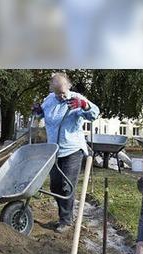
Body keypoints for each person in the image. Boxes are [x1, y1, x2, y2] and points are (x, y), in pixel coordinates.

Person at [33, 72, 99, 233]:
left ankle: (66, 220)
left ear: (68, 86)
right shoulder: (49, 100)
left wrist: (84, 105)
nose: (61, 96)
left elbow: (95, 113)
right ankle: (63, 214)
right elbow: (42, 114)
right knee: (55, 185)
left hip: (72, 149)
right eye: (58, 93)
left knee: (66, 185)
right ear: (52, 90)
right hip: (53, 150)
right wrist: (37, 110)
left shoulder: (76, 98)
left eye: (63, 92)